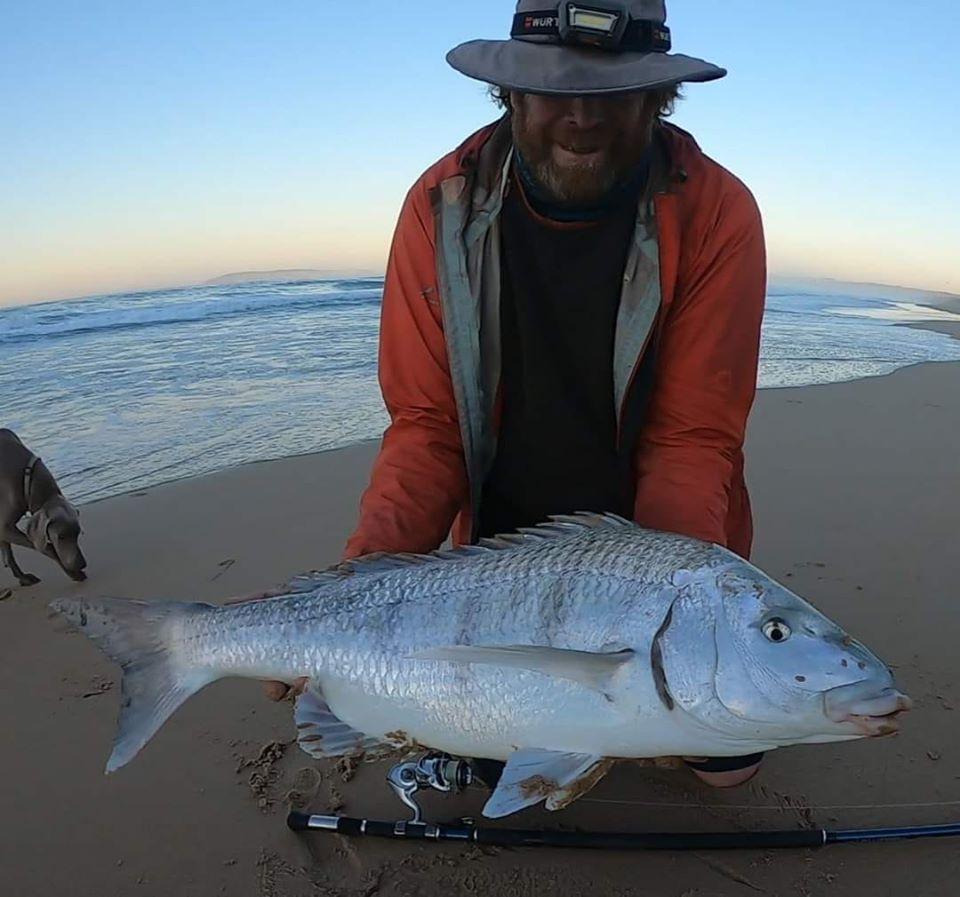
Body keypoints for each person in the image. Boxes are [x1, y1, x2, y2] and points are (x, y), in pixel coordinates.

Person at [270, 0, 767, 788]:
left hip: (647, 544)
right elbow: (428, 426)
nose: (578, 118)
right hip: (493, 558)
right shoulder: (439, 206)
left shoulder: (717, 211)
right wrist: (353, 592)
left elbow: (692, 439)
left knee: (723, 759)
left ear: (656, 98)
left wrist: (656, 628)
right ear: (508, 93)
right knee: (472, 729)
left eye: (610, 91)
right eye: (549, 89)